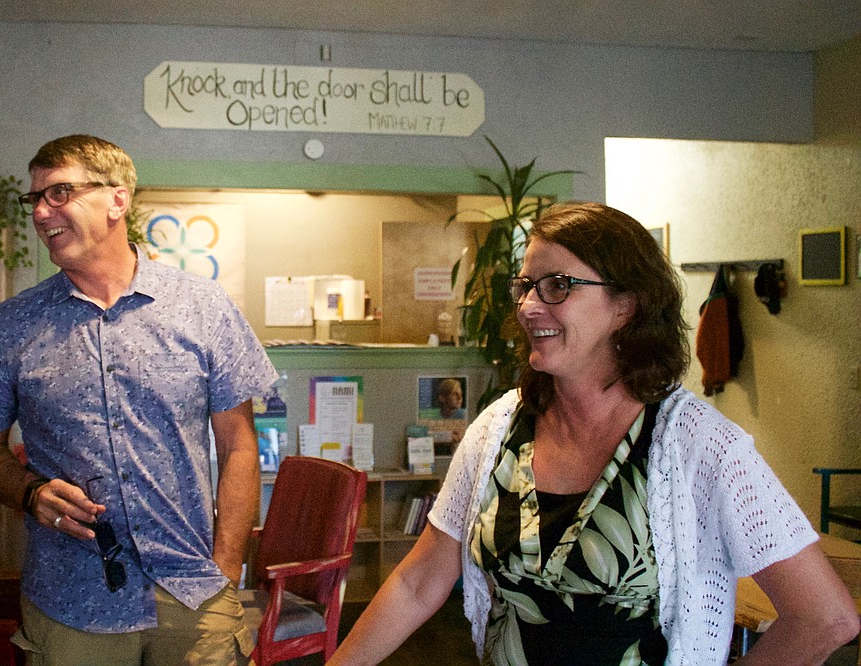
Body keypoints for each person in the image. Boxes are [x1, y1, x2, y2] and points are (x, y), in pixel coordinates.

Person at [330, 202, 858, 665]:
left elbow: (826, 618)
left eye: (558, 286)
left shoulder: (700, 447)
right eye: (526, 286)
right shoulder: (497, 430)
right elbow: (418, 582)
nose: (529, 306)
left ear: (625, 305)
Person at [0, 134, 277, 666]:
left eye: (59, 193)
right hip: (71, 605)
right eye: (33, 198)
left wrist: (225, 566)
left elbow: (239, 447)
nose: (40, 212)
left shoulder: (204, 308)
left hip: (194, 598)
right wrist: (30, 493)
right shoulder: (12, 325)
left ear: (117, 200)